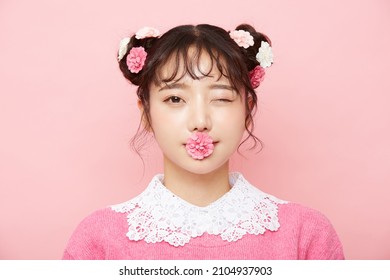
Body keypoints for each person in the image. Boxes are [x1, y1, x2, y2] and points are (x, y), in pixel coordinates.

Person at [62, 23, 344, 259]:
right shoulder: (98, 239)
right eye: (175, 99)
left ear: (247, 110)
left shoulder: (307, 234)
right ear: (146, 113)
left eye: (221, 98)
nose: (200, 121)